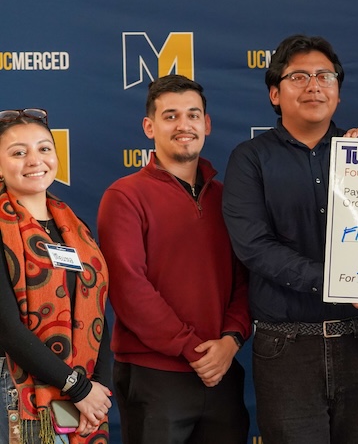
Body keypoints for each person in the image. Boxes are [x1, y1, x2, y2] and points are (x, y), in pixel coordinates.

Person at [222, 34, 358, 443]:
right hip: (287, 347)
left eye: (325, 76)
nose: (314, 85)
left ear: (338, 91)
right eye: (299, 76)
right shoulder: (250, 159)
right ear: (274, 93)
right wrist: (336, 281)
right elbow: (254, 247)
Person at [97, 75, 251, 444]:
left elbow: (247, 279)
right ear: (149, 126)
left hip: (222, 371)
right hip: (155, 376)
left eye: (193, 115)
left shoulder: (227, 198)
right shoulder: (124, 196)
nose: (184, 125)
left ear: (207, 124)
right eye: (170, 116)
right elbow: (129, 288)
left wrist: (231, 339)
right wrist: (190, 348)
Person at [0, 108, 112, 443]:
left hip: (83, 393)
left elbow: (96, 315)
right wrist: (77, 387)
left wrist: (98, 393)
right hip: (16, 390)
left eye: (44, 148)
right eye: (19, 152)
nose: (35, 160)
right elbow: (6, 328)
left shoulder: (76, 229)